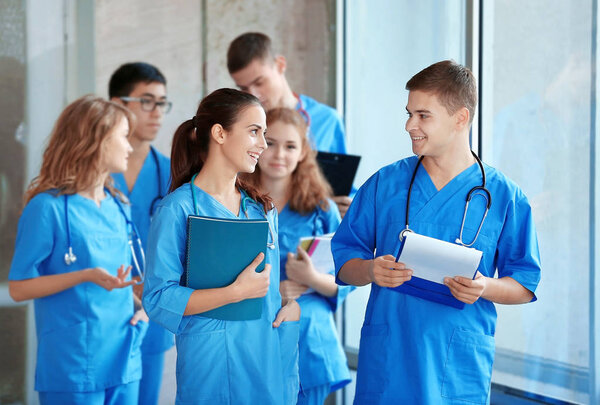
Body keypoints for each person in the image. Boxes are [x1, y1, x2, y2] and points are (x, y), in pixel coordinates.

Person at [331, 60, 542, 404]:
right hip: (390, 358)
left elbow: (524, 284)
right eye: (409, 113)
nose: (409, 125)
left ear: (460, 118)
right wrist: (371, 270)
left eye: (423, 115)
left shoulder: (505, 196)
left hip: (456, 363)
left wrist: (484, 286)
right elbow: (343, 261)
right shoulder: (385, 184)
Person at [142, 88, 301, 404]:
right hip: (210, 365)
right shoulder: (176, 209)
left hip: (267, 357)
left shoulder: (262, 209)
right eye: (254, 131)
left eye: (263, 134)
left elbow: (268, 287)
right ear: (219, 133)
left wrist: (290, 306)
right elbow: (158, 298)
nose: (263, 144)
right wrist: (234, 293)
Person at [8, 95, 148, 405]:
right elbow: (18, 288)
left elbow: (118, 282)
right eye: (123, 137)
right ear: (95, 141)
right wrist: (83, 275)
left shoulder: (119, 207)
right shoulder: (48, 208)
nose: (130, 146)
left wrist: (141, 306)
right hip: (73, 363)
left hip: (124, 353)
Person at [242, 108, 351, 404]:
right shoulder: (236, 202)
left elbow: (347, 278)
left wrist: (311, 278)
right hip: (255, 333)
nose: (279, 154)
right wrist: (274, 292)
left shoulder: (322, 209)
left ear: (304, 152)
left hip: (310, 343)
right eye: (271, 142)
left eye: (290, 146)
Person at [227, 32, 353, 217]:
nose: (253, 94)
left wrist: (334, 206)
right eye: (244, 88)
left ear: (280, 65)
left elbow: (345, 190)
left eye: (259, 82)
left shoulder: (327, 121)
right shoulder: (239, 125)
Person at [109, 62, 173, 405]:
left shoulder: (170, 173)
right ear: (118, 105)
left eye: (162, 102)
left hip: (152, 309)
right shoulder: (96, 175)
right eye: (146, 101)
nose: (157, 112)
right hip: (103, 304)